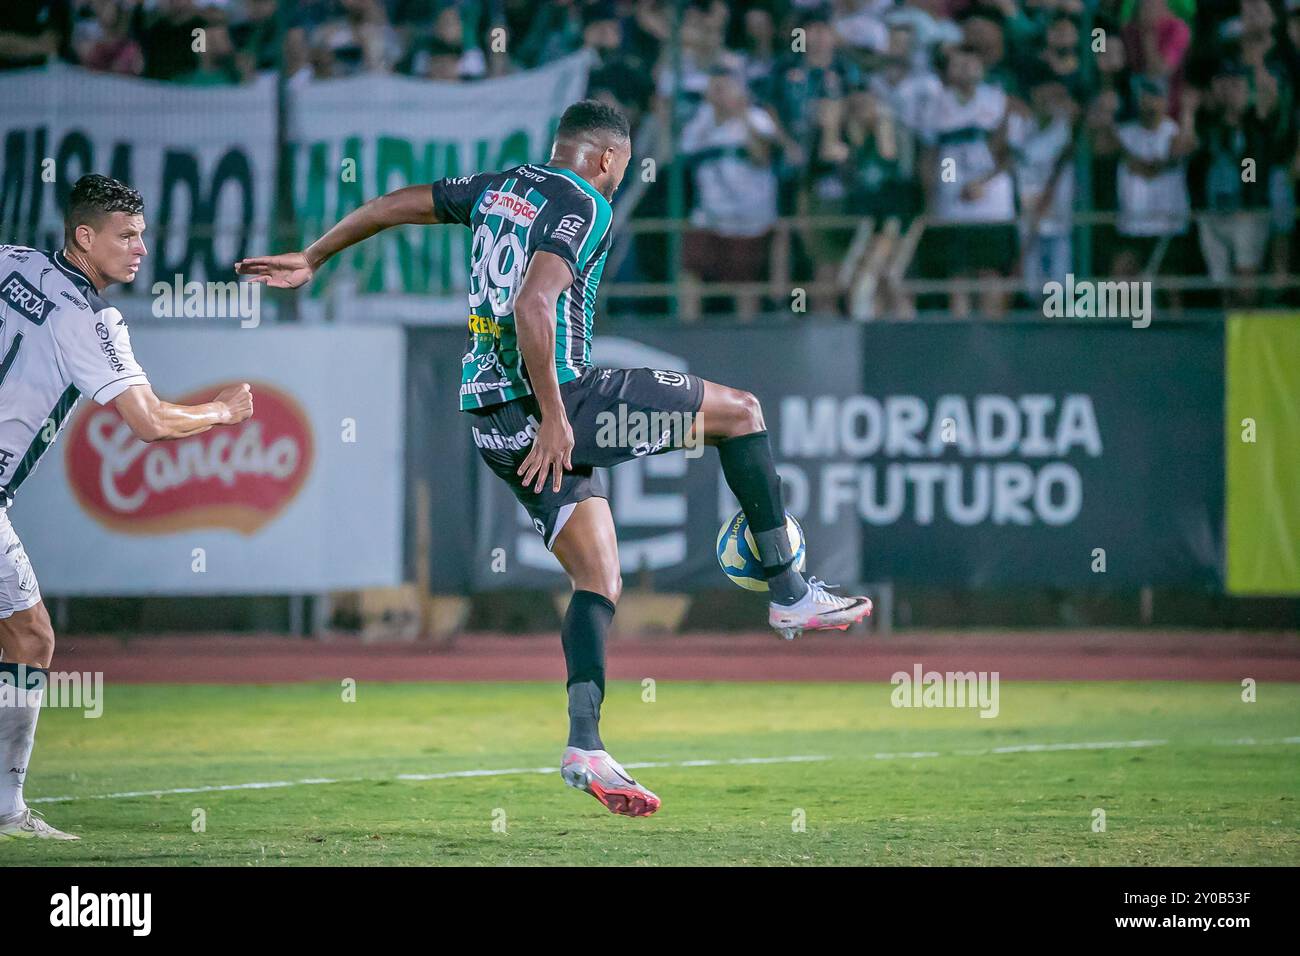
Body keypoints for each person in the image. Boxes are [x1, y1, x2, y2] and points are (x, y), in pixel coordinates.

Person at [235, 100, 872, 818]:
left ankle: (585, 745)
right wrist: (559, 419)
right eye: (622, 167)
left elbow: (391, 205)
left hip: (488, 413)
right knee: (742, 413)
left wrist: (315, 254)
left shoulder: (501, 185)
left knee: (599, 576)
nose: (617, 178)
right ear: (606, 160)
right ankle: (789, 593)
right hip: (559, 398)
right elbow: (537, 307)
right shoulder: (586, 203)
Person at [0, 175, 255, 840]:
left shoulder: (13, 260)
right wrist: (222, 412)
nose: (142, 247)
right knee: (30, 639)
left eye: (142, 233)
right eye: (126, 235)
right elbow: (149, 423)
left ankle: (7, 808)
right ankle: (7, 810)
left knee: (27, 637)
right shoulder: (89, 317)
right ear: (85, 237)